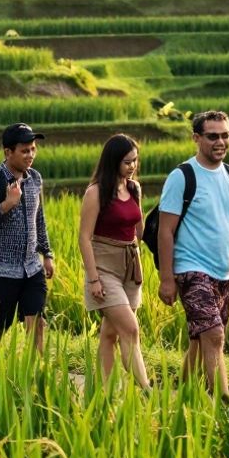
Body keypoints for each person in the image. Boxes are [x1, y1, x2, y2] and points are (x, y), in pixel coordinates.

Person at [157, 111, 229, 399]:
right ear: (196, 138)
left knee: (200, 339)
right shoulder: (182, 176)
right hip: (190, 270)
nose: (221, 141)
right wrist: (167, 279)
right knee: (215, 336)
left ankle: (179, 396)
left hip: (223, 272)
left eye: (225, 135)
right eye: (213, 136)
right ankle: (224, 404)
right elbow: (165, 231)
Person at [78, 134, 150, 389]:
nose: (132, 166)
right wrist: (94, 278)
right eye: (127, 162)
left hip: (130, 266)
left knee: (110, 334)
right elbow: (84, 239)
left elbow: (139, 231)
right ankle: (148, 391)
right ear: (113, 162)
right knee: (130, 330)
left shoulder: (134, 188)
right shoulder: (96, 192)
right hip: (104, 267)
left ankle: (101, 392)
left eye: (135, 160)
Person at [0, 123, 54, 351]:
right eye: (24, 150)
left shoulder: (35, 178)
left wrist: (47, 254)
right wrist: (7, 205)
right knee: (1, 324)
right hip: (0, 269)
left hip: (31, 267)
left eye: (33, 149)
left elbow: (39, 219)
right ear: (8, 152)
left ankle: (35, 373)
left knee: (37, 321)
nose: (30, 155)